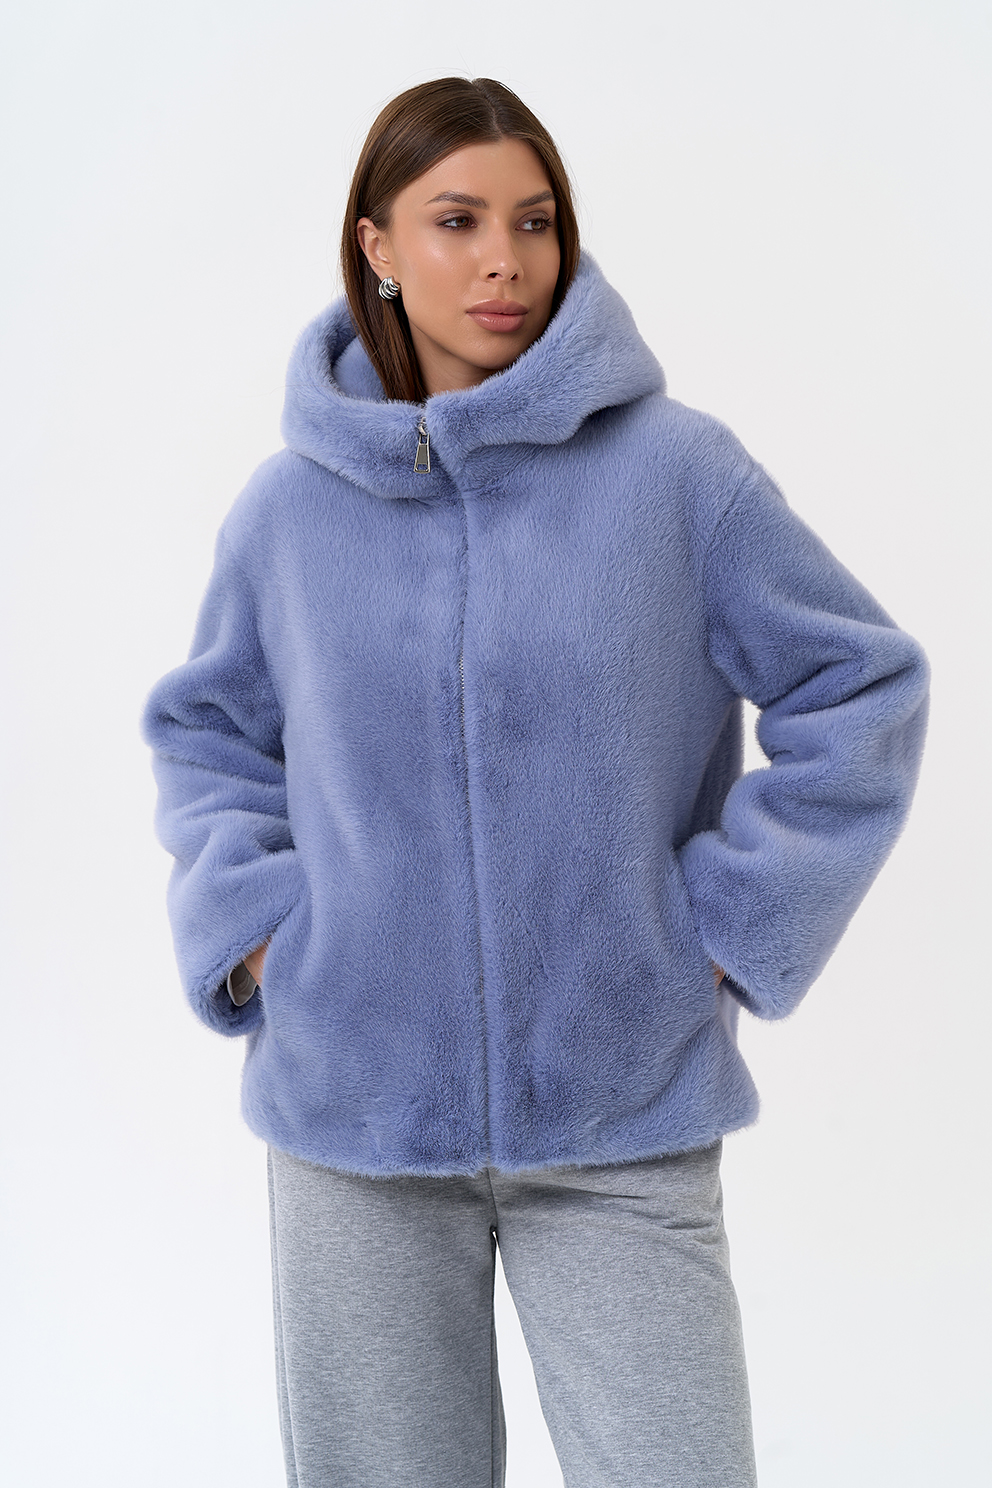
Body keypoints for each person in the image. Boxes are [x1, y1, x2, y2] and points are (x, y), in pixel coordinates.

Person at [140, 76, 929, 1488]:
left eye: (535, 221)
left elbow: (860, 683)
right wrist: (260, 937)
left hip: (621, 1110)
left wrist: (726, 927)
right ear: (378, 245)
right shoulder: (286, 512)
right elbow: (208, 736)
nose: (504, 261)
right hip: (354, 1120)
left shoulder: (678, 476)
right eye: (457, 221)